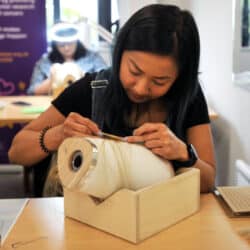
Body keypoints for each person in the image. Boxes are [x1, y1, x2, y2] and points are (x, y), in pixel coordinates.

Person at [9, 4, 216, 195]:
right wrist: (58, 134)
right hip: (91, 222)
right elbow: (16, 151)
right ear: (119, 54)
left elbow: (208, 182)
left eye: (160, 81)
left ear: (180, 77)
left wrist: (183, 153)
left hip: (164, 219)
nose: (141, 88)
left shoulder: (188, 96)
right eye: (134, 71)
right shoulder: (92, 88)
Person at [27, 22, 107, 95]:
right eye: (61, 45)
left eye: (70, 43)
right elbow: (32, 91)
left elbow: (107, 82)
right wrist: (52, 79)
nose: (66, 48)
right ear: (55, 44)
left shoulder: (92, 57)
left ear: (77, 41)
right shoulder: (45, 62)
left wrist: (84, 79)